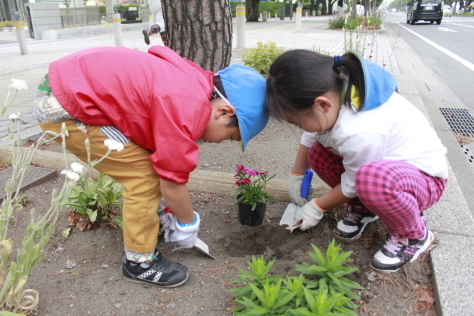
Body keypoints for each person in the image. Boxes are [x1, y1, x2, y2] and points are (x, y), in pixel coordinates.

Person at [33, 45, 269, 287]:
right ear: (224, 111)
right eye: (231, 137)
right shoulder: (188, 108)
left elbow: (161, 155)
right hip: (67, 106)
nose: (221, 142)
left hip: (66, 86)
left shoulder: (193, 84)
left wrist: (166, 208)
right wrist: (187, 223)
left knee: (145, 165)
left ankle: (148, 220)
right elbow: (172, 181)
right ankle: (139, 262)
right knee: (143, 179)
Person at [265, 49, 448, 273]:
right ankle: (364, 208)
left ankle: (412, 236)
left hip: (423, 180)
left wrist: (318, 206)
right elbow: (310, 137)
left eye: (297, 122)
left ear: (322, 105)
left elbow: (353, 181)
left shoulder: (358, 129)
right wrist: (297, 174)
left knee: (372, 179)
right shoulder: (337, 93)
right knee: (318, 154)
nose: (299, 128)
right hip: (383, 170)